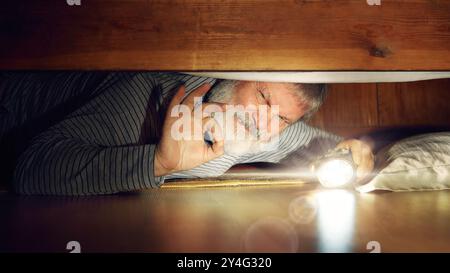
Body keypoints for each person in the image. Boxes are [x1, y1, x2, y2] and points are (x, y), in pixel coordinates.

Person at [0, 72, 374, 195]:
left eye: (283, 119)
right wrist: (158, 162)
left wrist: (352, 151)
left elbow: (320, 144)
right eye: (263, 97)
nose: (265, 123)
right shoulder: (148, 95)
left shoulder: (265, 129)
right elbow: (31, 169)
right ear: (232, 75)